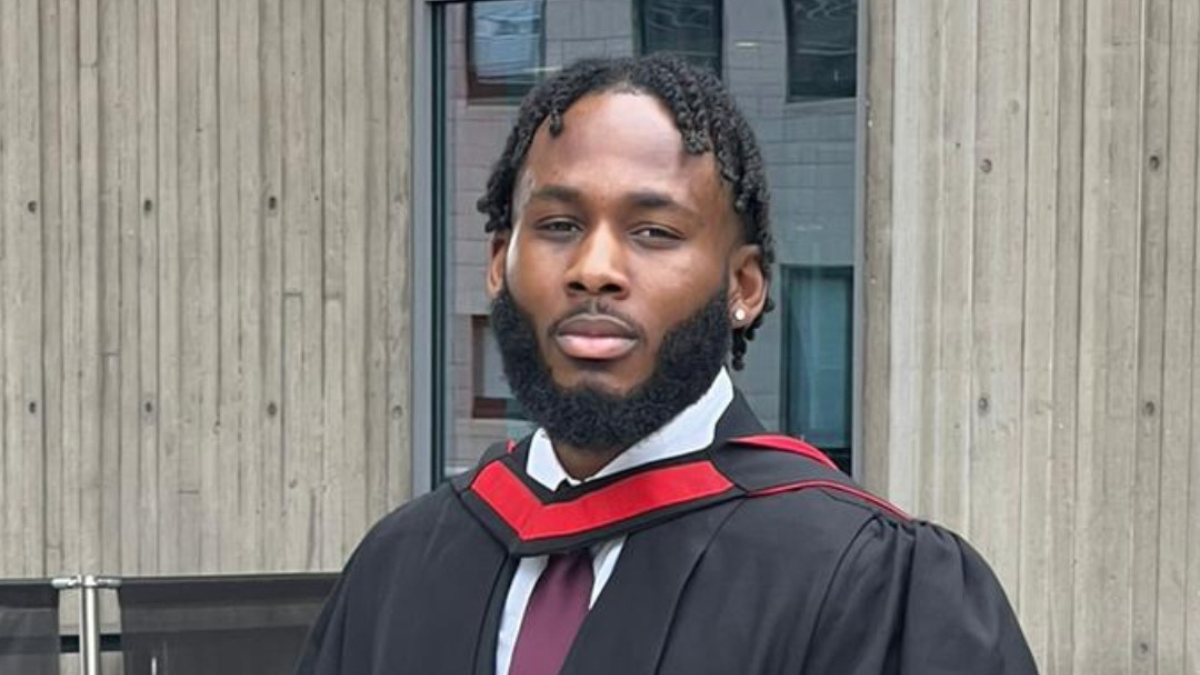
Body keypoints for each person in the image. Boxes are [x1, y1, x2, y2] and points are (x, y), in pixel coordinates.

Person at [296, 54, 1039, 675]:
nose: (594, 269)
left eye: (653, 231)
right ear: (499, 263)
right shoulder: (400, 566)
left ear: (743, 287)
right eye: (559, 225)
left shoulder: (870, 583)